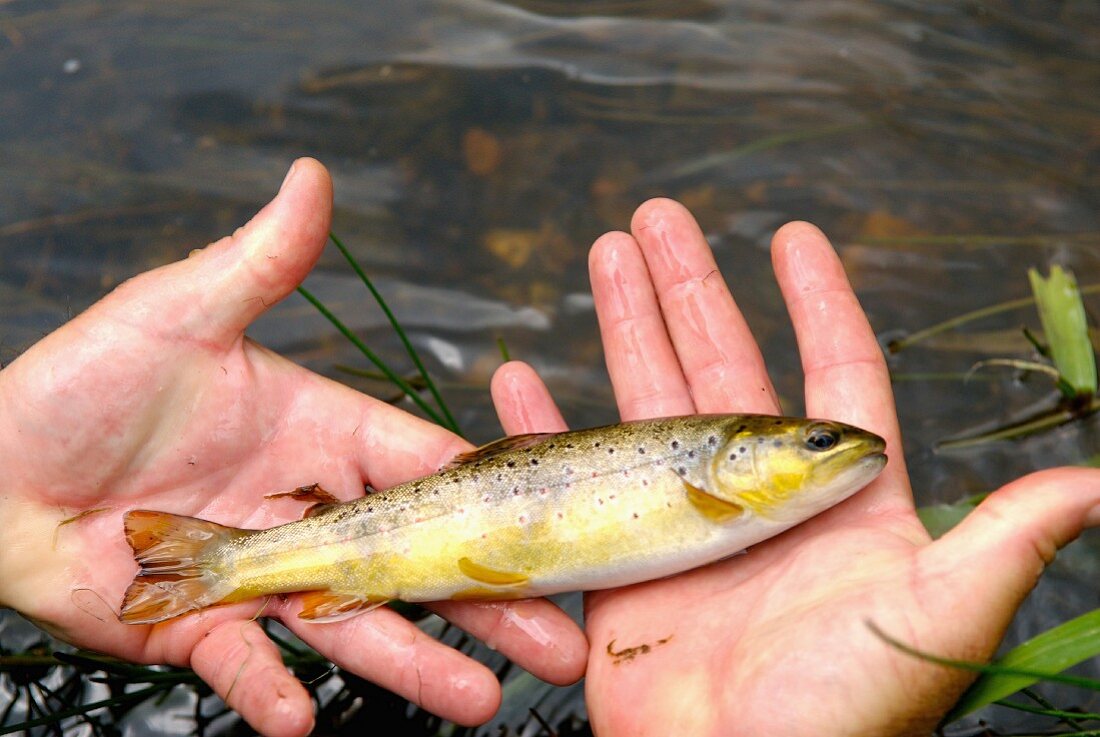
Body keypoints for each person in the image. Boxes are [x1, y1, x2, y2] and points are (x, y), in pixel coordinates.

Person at [0, 159, 1097, 737]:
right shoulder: (721, 488)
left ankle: (227, 563)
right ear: (738, 455)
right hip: (431, 530)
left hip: (457, 529)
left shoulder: (747, 496)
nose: (832, 450)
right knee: (324, 558)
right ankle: (226, 561)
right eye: (807, 442)